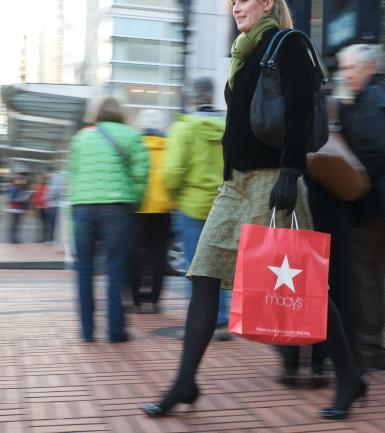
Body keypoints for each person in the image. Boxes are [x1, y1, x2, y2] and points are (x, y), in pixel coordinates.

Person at [141, 0, 366, 420]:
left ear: (266, 3)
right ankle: (185, 381)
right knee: (203, 274)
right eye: (230, 2)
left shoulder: (288, 43)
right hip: (234, 185)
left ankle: (349, 377)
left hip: (272, 180)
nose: (234, 6)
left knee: (305, 287)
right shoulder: (245, 51)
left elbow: (299, 109)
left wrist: (290, 170)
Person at [337, 44, 385, 371]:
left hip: (371, 208)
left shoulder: (373, 100)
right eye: (344, 68)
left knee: (364, 278)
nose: (346, 74)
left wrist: (350, 180)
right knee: (376, 278)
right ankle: (377, 348)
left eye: (351, 68)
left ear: (369, 67)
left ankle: (367, 350)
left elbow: (374, 152)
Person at [68, 96, 148, 343]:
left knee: (84, 270)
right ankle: (115, 331)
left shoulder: (81, 138)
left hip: (83, 208)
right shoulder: (132, 136)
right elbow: (141, 176)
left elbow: (73, 176)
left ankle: (87, 331)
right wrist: (132, 202)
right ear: (121, 113)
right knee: (115, 268)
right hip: (117, 208)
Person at [163, 77, 231, 340]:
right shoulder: (227, 124)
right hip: (223, 204)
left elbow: (172, 171)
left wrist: (175, 195)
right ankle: (222, 321)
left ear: (191, 98)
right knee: (219, 267)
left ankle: (197, 324)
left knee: (195, 268)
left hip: (192, 206)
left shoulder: (184, 128)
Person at [129, 109, 174, 312]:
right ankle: (155, 300)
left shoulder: (135, 146)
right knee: (158, 256)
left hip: (138, 207)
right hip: (163, 209)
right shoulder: (169, 147)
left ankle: (136, 299)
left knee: (137, 256)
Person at [6, 173, 30, 243]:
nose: (20, 181)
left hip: (19, 209)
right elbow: (10, 199)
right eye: (19, 180)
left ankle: (16, 238)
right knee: (13, 225)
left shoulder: (22, 188)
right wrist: (18, 199)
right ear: (15, 180)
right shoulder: (11, 188)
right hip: (13, 209)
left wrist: (24, 201)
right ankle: (12, 239)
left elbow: (24, 200)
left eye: (21, 180)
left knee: (18, 224)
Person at [31, 174, 50, 243]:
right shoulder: (38, 187)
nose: (41, 180)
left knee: (44, 223)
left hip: (44, 207)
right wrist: (35, 204)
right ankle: (40, 238)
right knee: (40, 224)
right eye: (40, 178)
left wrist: (38, 203)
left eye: (42, 178)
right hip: (39, 207)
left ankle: (44, 238)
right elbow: (36, 196)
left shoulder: (46, 187)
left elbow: (45, 197)